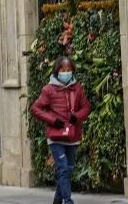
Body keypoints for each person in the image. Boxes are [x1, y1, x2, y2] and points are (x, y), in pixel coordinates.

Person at [30, 56, 93, 204]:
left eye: (68, 70)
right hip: (56, 137)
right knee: (63, 169)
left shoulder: (77, 88)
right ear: (57, 71)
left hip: (72, 135)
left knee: (68, 170)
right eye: (63, 70)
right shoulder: (48, 90)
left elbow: (86, 107)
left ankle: (57, 200)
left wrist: (76, 117)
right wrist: (53, 120)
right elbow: (35, 108)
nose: (66, 73)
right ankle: (68, 201)